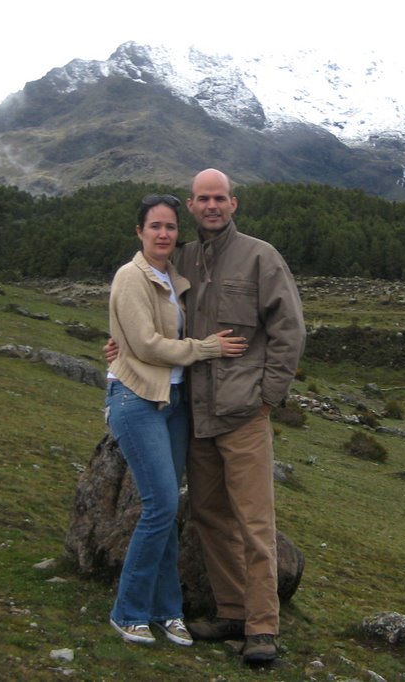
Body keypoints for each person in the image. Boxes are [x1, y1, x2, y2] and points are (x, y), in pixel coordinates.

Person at [106, 170, 305, 664]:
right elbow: (147, 317)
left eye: (220, 198)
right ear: (192, 207)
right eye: (203, 199)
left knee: (255, 523)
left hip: (243, 414)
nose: (212, 206)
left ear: (233, 203)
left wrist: (268, 396)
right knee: (211, 516)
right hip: (193, 416)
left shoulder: (262, 256)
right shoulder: (183, 260)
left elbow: (289, 330)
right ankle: (232, 610)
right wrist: (119, 348)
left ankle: (261, 629)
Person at [105, 193, 248, 647]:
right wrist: (206, 348)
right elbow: (146, 345)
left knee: (165, 512)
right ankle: (128, 610)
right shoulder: (131, 277)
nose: (164, 234)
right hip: (136, 399)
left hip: (173, 400)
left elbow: (154, 335)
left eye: (170, 227)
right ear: (139, 232)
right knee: (162, 505)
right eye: (155, 227)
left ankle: (168, 611)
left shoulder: (173, 278)